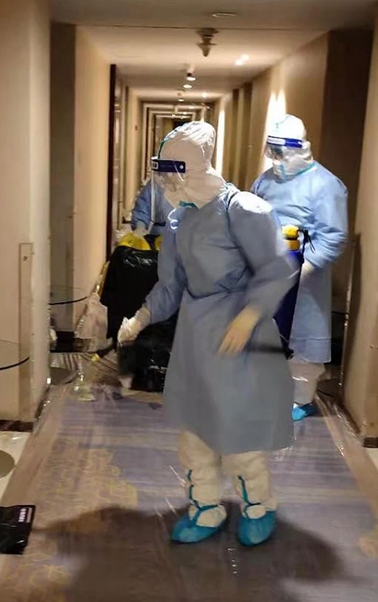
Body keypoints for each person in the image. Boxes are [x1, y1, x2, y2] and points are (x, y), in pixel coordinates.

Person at [118, 121, 297, 547]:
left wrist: (249, 316)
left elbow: (277, 269)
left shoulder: (244, 211)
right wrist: (140, 318)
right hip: (197, 339)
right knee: (195, 430)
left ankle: (258, 505)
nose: (167, 184)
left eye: (173, 172)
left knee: (239, 432)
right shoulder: (180, 220)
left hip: (241, 341)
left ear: (196, 167)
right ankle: (205, 506)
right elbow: (171, 285)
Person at [251, 115, 348, 421]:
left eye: (282, 153)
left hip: (304, 276)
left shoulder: (325, 185)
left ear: (299, 149)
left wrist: (305, 267)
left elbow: (333, 236)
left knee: (302, 336)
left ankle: (302, 398)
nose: (276, 159)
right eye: (273, 152)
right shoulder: (265, 181)